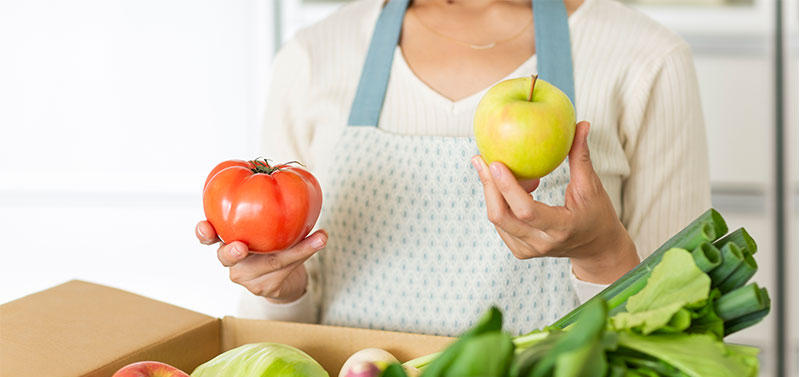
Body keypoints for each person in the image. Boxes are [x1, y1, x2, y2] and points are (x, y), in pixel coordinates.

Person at [196, 0, 710, 336]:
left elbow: (684, 335)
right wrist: (283, 291)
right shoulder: (315, 56)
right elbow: (284, 336)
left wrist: (603, 254)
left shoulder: (645, 58)